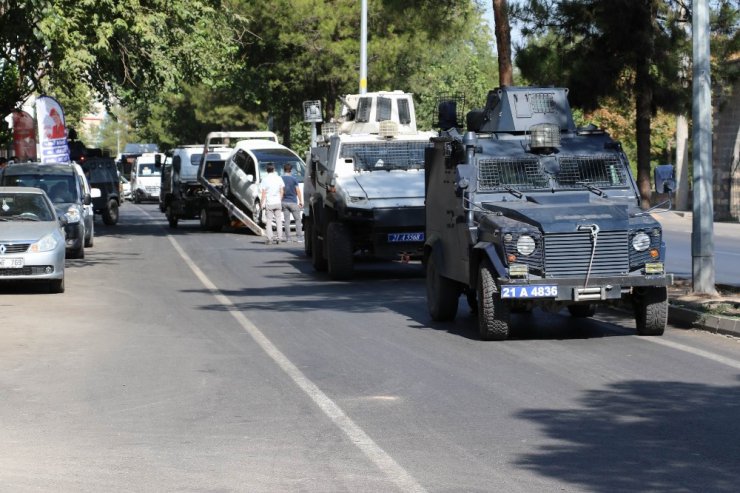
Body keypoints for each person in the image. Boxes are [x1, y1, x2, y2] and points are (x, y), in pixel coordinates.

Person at [259, 163, 284, 244]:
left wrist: (261, 203)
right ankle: (279, 238)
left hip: (269, 202)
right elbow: (282, 190)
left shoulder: (264, 179)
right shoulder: (278, 178)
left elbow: (263, 193)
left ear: (267, 170)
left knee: (269, 221)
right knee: (278, 220)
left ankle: (270, 239)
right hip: (277, 202)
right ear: (274, 170)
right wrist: (279, 199)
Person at [281, 163, 303, 242]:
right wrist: (301, 201)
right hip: (293, 202)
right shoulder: (294, 179)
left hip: (284, 202)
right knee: (297, 220)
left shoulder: (281, 178)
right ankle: (299, 237)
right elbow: (298, 191)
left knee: (286, 221)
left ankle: (288, 238)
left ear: (284, 169)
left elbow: (280, 190)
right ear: (291, 170)